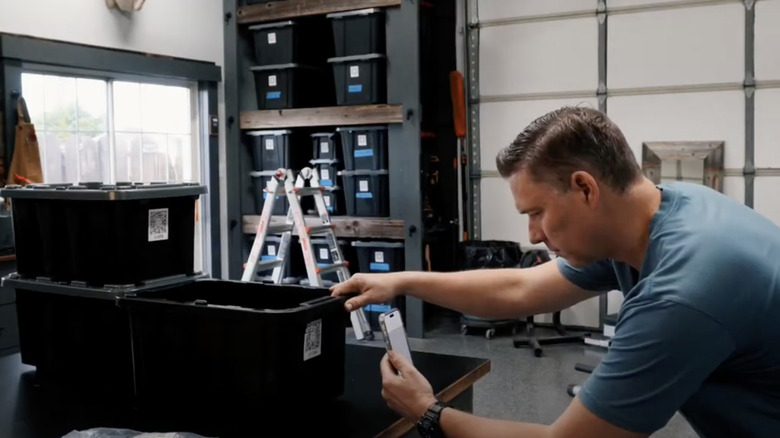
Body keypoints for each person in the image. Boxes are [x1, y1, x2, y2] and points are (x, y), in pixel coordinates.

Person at [331, 106, 780, 438]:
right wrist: (401, 281)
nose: (533, 235)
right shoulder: (662, 209)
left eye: (537, 212)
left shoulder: (683, 294)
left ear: (585, 188)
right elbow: (520, 287)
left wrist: (428, 412)